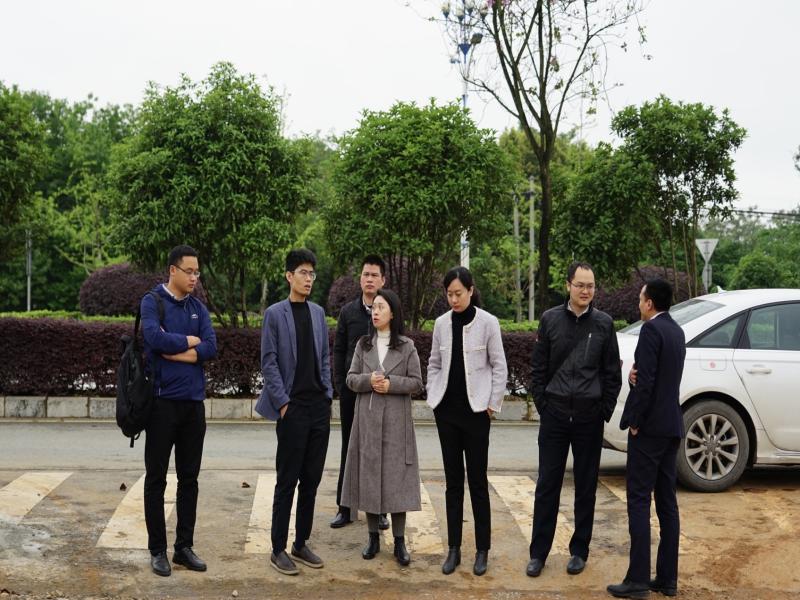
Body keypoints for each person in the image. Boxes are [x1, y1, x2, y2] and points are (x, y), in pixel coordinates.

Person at [526, 261, 622, 578]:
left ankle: (579, 551)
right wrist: (544, 405)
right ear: (568, 285)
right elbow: (538, 369)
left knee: (586, 487)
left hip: (588, 418)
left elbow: (612, 374)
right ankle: (538, 553)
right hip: (554, 416)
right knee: (547, 486)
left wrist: (602, 411)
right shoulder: (550, 319)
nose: (585, 291)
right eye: (580, 285)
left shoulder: (604, 324)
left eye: (590, 286)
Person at [255, 249, 332, 576]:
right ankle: (277, 548)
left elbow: (324, 358)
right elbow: (268, 361)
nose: (308, 279)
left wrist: (327, 394)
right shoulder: (275, 314)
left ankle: (301, 543)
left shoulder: (318, 313)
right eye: (303, 272)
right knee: (287, 480)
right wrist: (284, 403)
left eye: (312, 273)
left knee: (311, 480)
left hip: (319, 407)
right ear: (289, 276)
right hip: (293, 408)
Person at [141, 245, 217, 577]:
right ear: (173, 270)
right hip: (161, 405)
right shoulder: (152, 302)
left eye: (197, 272)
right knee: (156, 479)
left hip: (193, 406)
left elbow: (211, 347)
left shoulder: (198, 308)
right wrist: (190, 341)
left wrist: (177, 348)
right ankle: (157, 549)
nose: (194, 278)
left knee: (189, 479)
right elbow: (153, 339)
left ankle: (183, 547)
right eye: (189, 271)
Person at [426, 266, 508, 577]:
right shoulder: (441, 323)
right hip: (446, 413)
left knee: (477, 482)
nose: (454, 299)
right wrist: (434, 396)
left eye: (459, 293)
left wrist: (491, 406)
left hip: (476, 414)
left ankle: (482, 549)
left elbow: (499, 366)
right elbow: (434, 363)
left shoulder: (488, 322)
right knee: (452, 483)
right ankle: (454, 548)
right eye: (449, 294)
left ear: (471, 291)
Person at [607, 279, 685, 599]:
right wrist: (632, 377)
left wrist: (636, 422)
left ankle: (637, 580)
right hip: (671, 426)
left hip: (650, 430)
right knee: (667, 503)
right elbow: (660, 377)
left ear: (649, 303)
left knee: (638, 501)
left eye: (641, 299)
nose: (639, 304)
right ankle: (667, 579)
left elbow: (649, 381)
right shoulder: (677, 331)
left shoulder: (650, 331)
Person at [341, 288, 423, 567]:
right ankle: (372, 537)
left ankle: (399, 541)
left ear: (393, 313)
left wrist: (391, 385)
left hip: (397, 424)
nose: (375, 312)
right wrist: (369, 380)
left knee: (396, 481)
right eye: (373, 307)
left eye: (381, 307)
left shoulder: (407, 346)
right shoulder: (363, 345)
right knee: (370, 478)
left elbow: (417, 382)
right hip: (368, 422)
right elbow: (351, 379)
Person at [331, 255, 389, 531]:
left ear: (383, 280)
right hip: (352, 392)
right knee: (349, 447)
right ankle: (345, 508)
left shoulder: (389, 311)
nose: (369, 279)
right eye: (366, 274)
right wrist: (340, 385)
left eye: (374, 275)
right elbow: (338, 350)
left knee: (378, 450)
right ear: (360, 279)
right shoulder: (348, 312)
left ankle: (380, 510)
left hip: (380, 393)